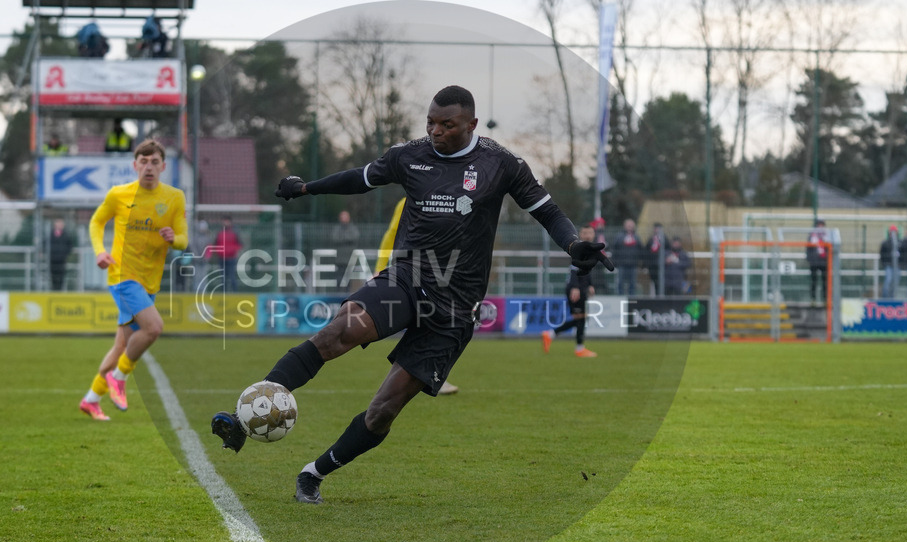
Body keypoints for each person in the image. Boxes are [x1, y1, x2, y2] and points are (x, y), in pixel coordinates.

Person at [209, 85, 613, 504]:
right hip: (409, 277)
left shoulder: (501, 164)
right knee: (337, 333)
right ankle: (244, 418)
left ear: (471, 124)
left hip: (456, 307)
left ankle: (313, 474)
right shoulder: (410, 155)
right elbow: (360, 180)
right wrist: (307, 188)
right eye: (431, 123)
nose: (436, 131)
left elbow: (546, 210)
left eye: (447, 125)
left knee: (384, 410)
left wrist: (573, 246)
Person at [78, 139, 188, 421]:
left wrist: (173, 239)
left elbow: (184, 240)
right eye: (143, 161)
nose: (148, 167)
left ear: (163, 166)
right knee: (153, 328)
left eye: (154, 162)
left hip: (149, 282)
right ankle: (118, 377)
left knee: (120, 346)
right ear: (134, 165)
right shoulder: (119, 194)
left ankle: (91, 399)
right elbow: (96, 222)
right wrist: (100, 251)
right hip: (122, 276)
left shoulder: (175, 197)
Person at [374, 196, 458, 395]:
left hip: (438, 270)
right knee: (427, 322)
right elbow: (391, 234)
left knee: (430, 323)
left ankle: (426, 374)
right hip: (411, 268)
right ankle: (425, 374)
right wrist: (380, 267)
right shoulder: (407, 200)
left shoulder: (448, 199)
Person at [542, 226, 598, 358]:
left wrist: (590, 285)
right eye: (585, 233)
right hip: (576, 288)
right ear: (580, 234)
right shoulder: (579, 247)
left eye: (590, 232)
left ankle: (551, 335)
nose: (588, 235)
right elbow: (573, 268)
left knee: (581, 319)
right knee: (581, 319)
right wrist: (575, 287)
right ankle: (577, 348)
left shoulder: (589, 248)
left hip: (581, 288)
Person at [330, 209, 361, 292]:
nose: (344, 218)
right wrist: (347, 239)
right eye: (342, 216)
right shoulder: (337, 228)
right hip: (339, 259)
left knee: (349, 280)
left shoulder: (353, 228)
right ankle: (337, 295)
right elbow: (334, 238)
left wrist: (343, 238)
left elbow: (355, 237)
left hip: (350, 258)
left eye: (345, 216)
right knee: (338, 279)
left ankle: (347, 296)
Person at [611, 218, 642, 296]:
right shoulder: (619, 237)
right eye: (628, 225)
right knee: (620, 282)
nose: (630, 227)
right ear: (624, 226)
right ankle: (620, 297)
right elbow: (614, 249)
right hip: (622, 264)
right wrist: (615, 261)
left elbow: (641, 249)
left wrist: (639, 261)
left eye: (631, 225)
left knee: (632, 283)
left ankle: (632, 298)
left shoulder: (636, 237)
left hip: (633, 264)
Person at [212, 216, 242, 292]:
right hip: (222, 258)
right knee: (223, 278)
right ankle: (223, 294)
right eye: (224, 221)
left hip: (231, 258)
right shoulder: (219, 232)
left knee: (232, 277)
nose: (225, 223)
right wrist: (218, 252)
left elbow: (240, 244)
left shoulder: (235, 232)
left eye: (227, 221)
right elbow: (215, 244)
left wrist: (232, 250)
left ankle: (235, 293)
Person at [806, 220, 829, 305]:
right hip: (814, 262)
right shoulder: (812, 236)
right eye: (819, 225)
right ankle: (813, 299)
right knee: (813, 281)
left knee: (825, 282)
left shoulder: (827, 236)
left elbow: (830, 250)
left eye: (822, 225)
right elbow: (808, 249)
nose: (820, 227)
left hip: (824, 262)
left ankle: (825, 299)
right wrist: (809, 260)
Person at [49, 218, 74, 291]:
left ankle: (60, 290)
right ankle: (54, 290)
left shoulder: (66, 235)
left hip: (62, 260)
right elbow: (45, 244)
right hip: (52, 259)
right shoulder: (50, 235)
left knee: (61, 276)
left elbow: (70, 246)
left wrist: (65, 254)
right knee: (53, 276)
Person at [644, 222, 666, 296]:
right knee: (654, 281)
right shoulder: (651, 239)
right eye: (656, 228)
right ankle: (656, 295)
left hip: (662, 265)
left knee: (662, 281)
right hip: (652, 265)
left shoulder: (664, 239)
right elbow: (646, 251)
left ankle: (661, 295)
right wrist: (646, 264)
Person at [879, 225, 900, 299]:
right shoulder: (886, 243)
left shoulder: (899, 242)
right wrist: (884, 263)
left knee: (895, 282)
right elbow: (882, 254)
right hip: (888, 265)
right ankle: (885, 297)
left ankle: (892, 297)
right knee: (888, 280)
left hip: (896, 266)